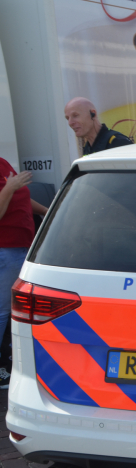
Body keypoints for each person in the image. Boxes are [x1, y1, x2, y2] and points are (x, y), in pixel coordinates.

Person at [0, 158, 48, 388]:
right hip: (6, 249)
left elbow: (20, 199)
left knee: (12, 311)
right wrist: (10, 187)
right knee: (3, 312)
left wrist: (48, 212)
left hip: (18, 248)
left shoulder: (2, 163)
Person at [64, 97, 132, 156]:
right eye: (67, 118)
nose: (70, 123)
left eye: (75, 115)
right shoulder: (87, 147)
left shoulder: (116, 142)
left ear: (93, 114)